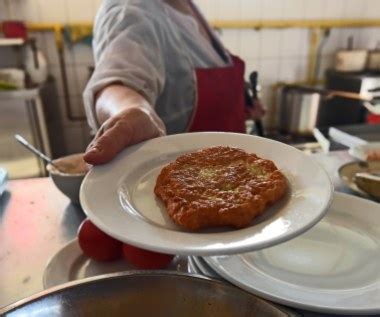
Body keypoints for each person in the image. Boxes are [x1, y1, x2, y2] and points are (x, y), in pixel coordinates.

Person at [83, 0, 265, 165]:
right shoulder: (129, 10)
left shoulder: (186, 5)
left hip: (232, 172)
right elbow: (116, 83)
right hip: (190, 185)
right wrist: (132, 111)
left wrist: (237, 105)